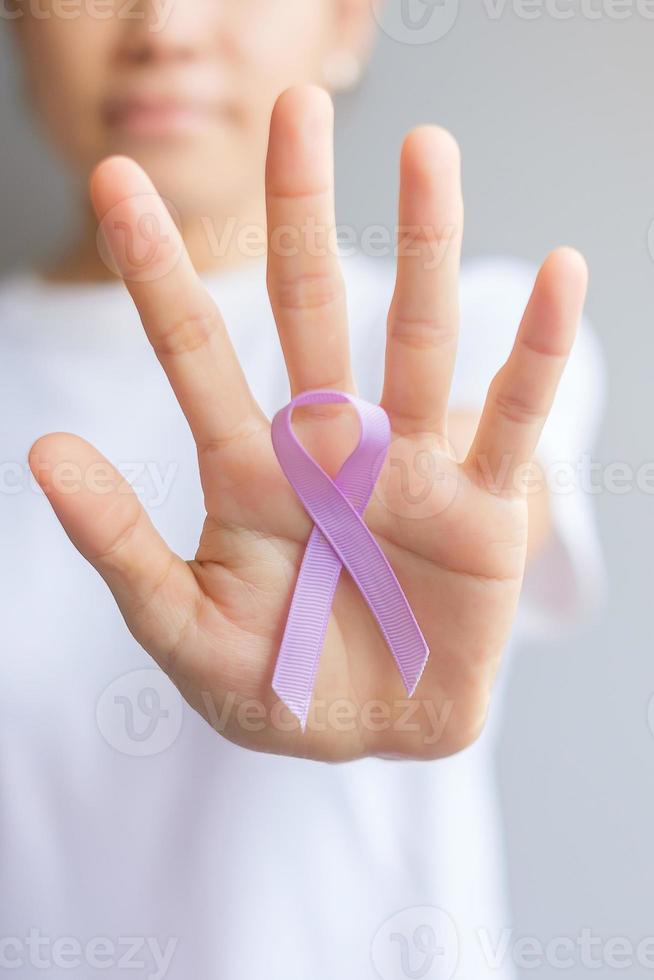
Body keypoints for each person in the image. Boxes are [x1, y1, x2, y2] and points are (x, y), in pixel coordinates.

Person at [0, 1, 606, 977]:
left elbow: (492, 487)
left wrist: (379, 560)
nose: (164, 27)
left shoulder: (479, 341)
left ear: (350, 20)